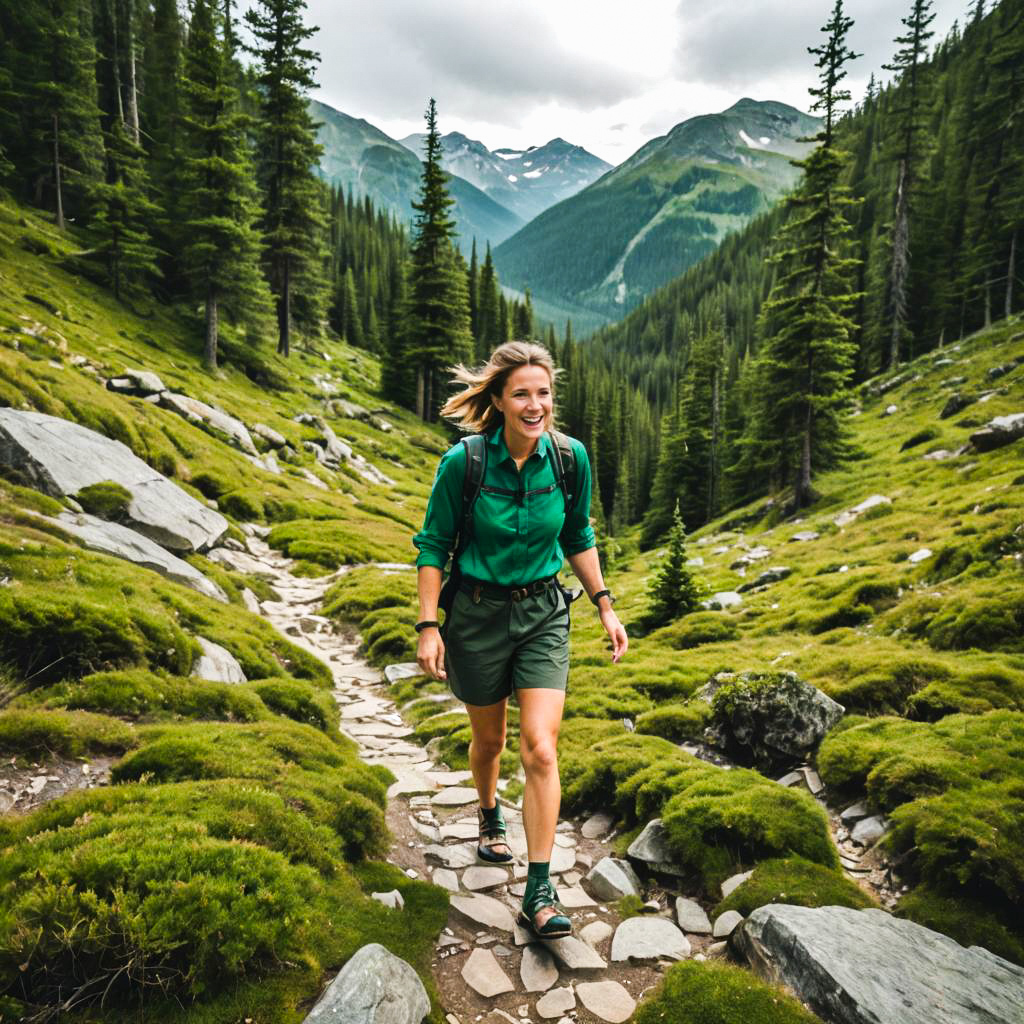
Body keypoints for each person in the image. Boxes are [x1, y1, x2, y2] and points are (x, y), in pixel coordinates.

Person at [412, 340, 628, 940]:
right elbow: (433, 546)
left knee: (540, 748)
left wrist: (604, 606)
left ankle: (539, 889)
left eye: (544, 393)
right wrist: (429, 624)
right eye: (522, 395)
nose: (536, 405)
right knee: (491, 740)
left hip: (542, 613)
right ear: (500, 401)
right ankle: (487, 815)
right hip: (476, 618)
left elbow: (578, 533)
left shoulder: (569, 459)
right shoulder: (465, 464)